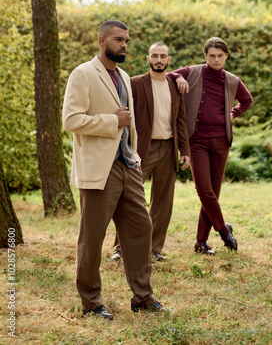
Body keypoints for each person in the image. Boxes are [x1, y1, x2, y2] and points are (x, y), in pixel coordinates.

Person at [62, 20, 165, 321]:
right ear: (101, 40)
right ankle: (91, 302)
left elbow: (128, 122)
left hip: (126, 165)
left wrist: (132, 155)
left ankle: (143, 297)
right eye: (119, 40)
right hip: (98, 168)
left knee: (140, 228)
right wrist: (111, 121)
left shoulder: (123, 75)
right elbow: (71, 120)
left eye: (127, 41)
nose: (124, 45)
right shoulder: (82, 74)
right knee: (92, 237)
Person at [168, 37, 253, 255]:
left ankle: (201, 242)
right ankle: (224, 231)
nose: (216, 59)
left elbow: (247, 100)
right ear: (205, 55)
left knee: (213, 192)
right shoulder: (193, 71)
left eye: (220, 55)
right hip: (196, 140)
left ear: (226, 56)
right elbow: (169, 75)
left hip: (221, 142)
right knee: (204, 190)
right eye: (212, 55)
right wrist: (178, 78)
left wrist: (233, 113)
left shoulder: (233, 80)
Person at [112, 42, 191, 262]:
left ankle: (154, 248)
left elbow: (181, 119)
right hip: (141, 149)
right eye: (154, 55)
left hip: (168, 148)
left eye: (162, 56)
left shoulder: (177, 86)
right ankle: (120, 248)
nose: (158, 59)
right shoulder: (135, 83)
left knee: (163, 202)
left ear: (169, 60)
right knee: (130, 198)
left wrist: (185, 149)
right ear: (148, 59)